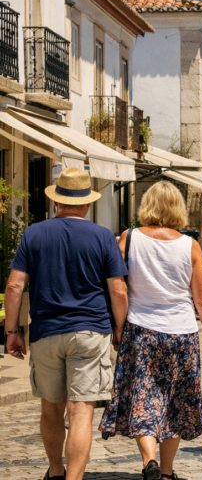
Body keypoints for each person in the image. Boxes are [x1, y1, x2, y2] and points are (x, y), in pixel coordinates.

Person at [3, 168, 128, 480]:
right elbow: (118, 289)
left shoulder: (34, 233)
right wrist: (120, 330)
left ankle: (56, 472)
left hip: (46, 333)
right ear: (86, 203)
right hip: (90, 332)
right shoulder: (102, 236)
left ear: (56, 202)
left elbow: (14, 287)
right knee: (81, 411)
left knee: (51, 408)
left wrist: (12, 332)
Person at [100, 181, 202, 480]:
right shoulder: (189, 245)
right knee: (176, 402)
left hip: (142, 331)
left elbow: (117, 287)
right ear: (178, 208)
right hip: (182, 333)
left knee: (143, 396)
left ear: (146, 205)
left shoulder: (130, 238)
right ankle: (166, 472)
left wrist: (118, 328)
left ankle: (149, 460)